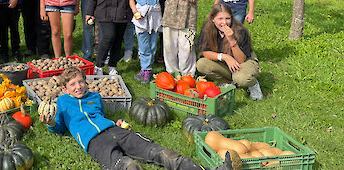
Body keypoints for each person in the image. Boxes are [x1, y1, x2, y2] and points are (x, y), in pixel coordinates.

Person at [40, 67, 238, 170]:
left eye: (81, 82)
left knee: (160, 152)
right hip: (95, 142)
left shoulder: (95, 97)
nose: (78, 87)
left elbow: (99, 116)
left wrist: (116, 123)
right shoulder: (63, 103)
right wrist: (50, 123)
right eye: (73, 84)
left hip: (115, 131)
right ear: (65, 89)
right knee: (128, 166)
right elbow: (58, 127)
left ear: (86, 82)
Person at [196, 3, 263, 100]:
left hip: (244, 62)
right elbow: (205, 52)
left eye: (227, 18)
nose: (225, 22)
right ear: (212, 19)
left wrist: (232, 40)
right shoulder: (208, 28)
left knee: (242, 79)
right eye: (220, 19)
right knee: (201, 64)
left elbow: (241, 60)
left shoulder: (240, 31)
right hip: (226, 62)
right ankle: (229, 82)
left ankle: (253, 83)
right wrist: (225, 57)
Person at [130, 0, 163, 84]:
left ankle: (144, 69)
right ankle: (147, 70)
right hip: (141, 14)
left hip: (155, 14)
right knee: (143, 43)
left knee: (153, 43)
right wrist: (134, 11)